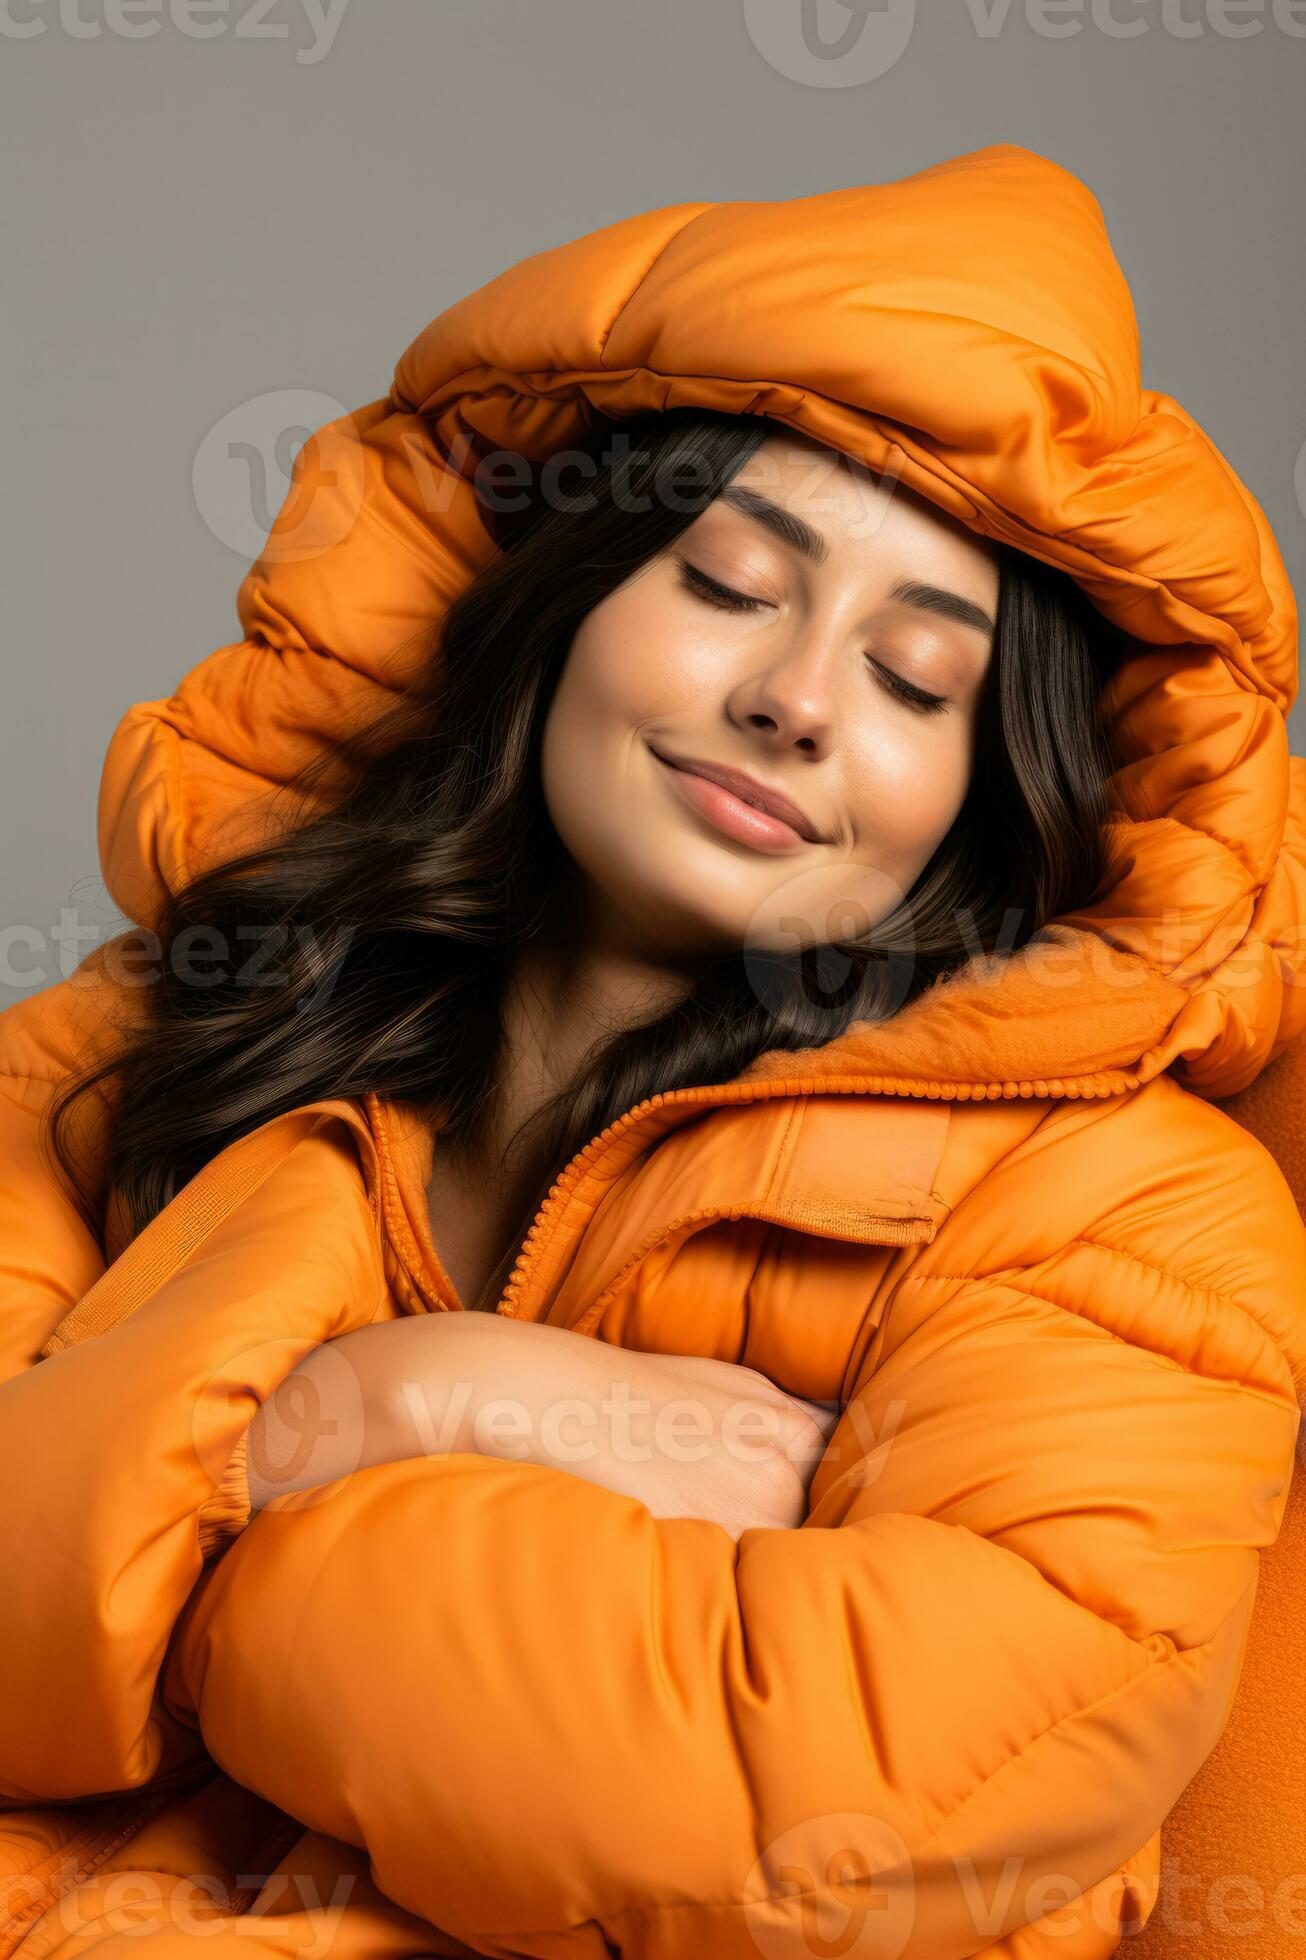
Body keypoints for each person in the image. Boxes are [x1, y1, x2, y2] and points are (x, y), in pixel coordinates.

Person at [1, 142, 1303, 1960]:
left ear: (990, 784)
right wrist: (387, 1406)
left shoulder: (1130, 1214)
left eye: (915, 680)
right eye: (729, 584)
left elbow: (849, 1832)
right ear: (565, 606)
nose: (794, 699)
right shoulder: (136, 1036)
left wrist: (161, 1559)